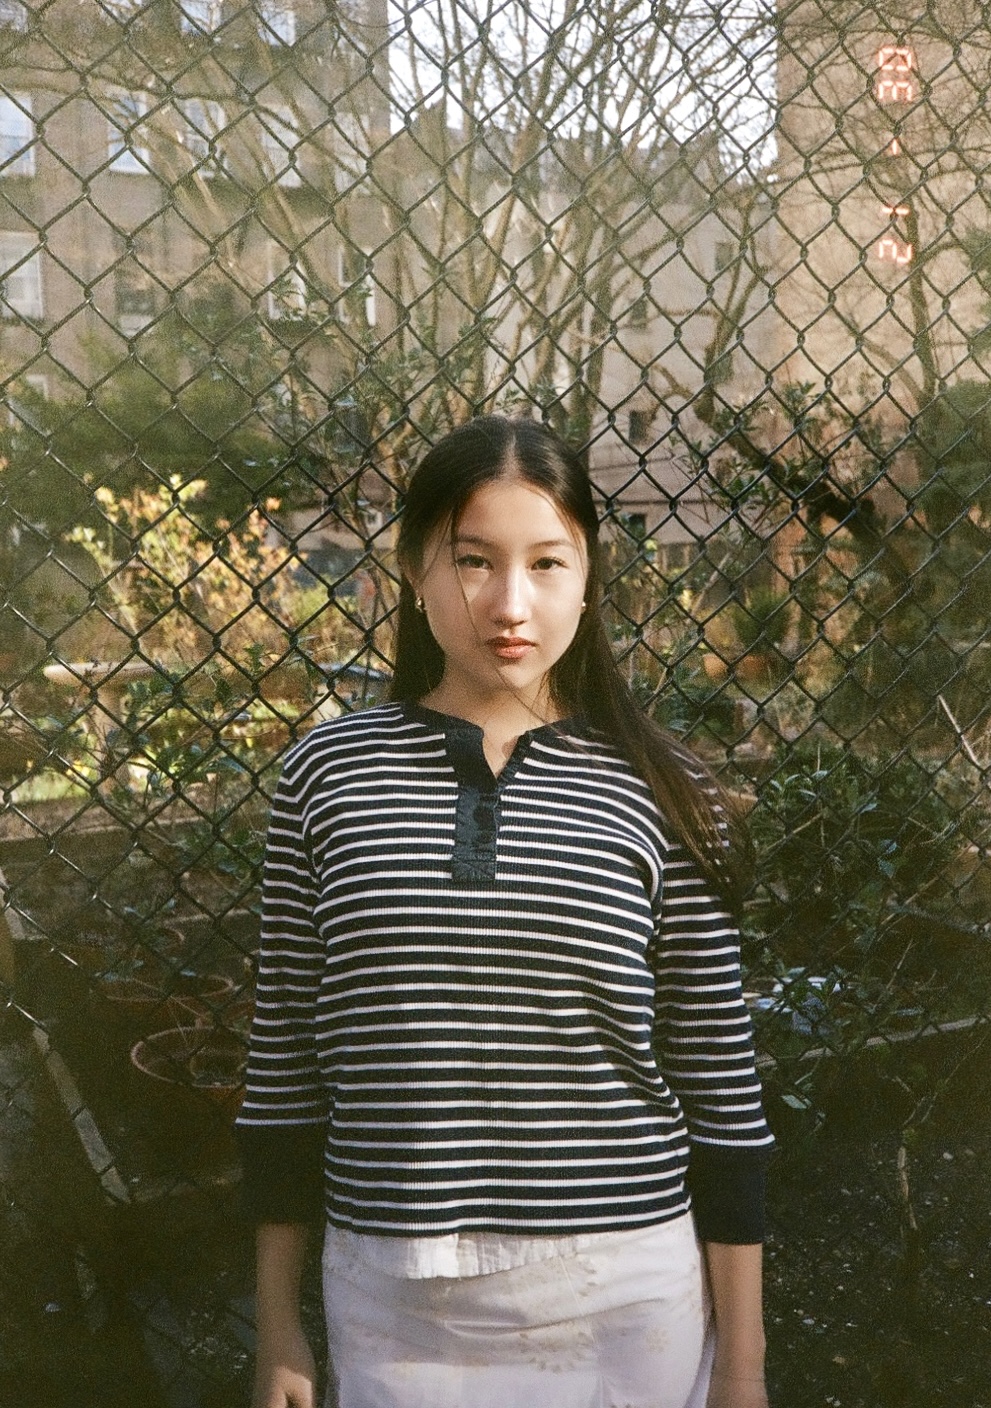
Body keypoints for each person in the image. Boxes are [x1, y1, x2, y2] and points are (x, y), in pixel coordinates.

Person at [237, 415, 775, 1408]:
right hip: (389, 1299)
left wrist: (742, 1368)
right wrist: (277, 1326)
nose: (509, 602)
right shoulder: (326, 776)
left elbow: (720, 1086)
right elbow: (283, 1065)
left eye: (547, 562)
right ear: (412, 567)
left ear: (588, 577)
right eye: (473, 559)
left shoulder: (667, 790)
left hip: (624, 1298)